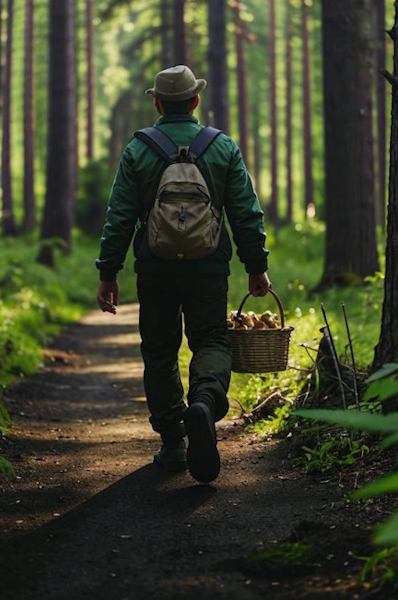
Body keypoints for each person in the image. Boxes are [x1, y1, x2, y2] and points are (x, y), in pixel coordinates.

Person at [95, 65, 270, 483]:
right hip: (208, 268)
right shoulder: (221, 147)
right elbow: (246, 210)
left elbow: (119, 216)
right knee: (210, 339)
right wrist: (256, 267)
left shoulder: (139, 149)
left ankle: (173, 443)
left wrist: (108, 273)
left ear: (157, 102)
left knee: (159, 350)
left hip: (154, 268)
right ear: (194, 101)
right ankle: (206, 403)